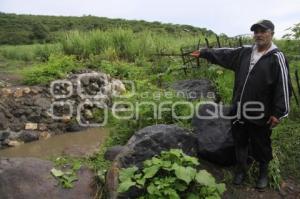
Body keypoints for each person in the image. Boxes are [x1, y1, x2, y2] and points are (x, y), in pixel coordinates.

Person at [191, 20, 292, 189]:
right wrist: (204, 53)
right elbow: (224, 54)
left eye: (263, 31)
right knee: (240, 141)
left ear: (272, 34)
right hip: (239, 109)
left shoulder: (276, 57)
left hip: (261, 112)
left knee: (261, 143)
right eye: (256, 31)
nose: (258, 34)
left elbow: (283, 85)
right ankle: (241, 170)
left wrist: (278, 112)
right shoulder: (245, 52)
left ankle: (263, 173)